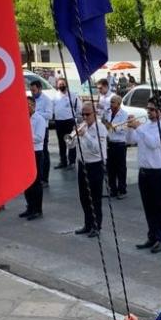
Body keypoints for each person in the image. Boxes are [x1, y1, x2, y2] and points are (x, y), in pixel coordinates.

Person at [127, 98, 161, 253]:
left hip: (159, 172)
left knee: (159, 206)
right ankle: (152, 236)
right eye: (148, 109)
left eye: (152, 109)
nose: (149, 112)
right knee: (148, 207)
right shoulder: (146, 126)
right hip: (144, 172)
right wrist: (130, 127)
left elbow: (153, 143)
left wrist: (138, 127)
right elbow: (130, 140)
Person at [67, 101, 107, 238]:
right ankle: (88, 224)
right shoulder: (81, 126)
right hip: (82, 165)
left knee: (95, 198)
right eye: (82, 114)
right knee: (84, 197)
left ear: (95, 114)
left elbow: (97, 149)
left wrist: (85, 135)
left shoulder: (100, 128)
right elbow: (71, 146)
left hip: (95, 165)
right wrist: (72, 138)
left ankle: (96, 226)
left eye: (87, 114)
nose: (84, 117)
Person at [20, 96, 45, 220]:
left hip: (36, 152)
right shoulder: (22, 118)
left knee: (36, 182)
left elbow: (39, 138)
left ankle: (37, 209)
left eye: (29, 104)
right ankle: (29, 207)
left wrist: (25, 135)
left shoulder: (39, 119)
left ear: (34, 105)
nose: (27, 107)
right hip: (25, 152)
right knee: (26, 182)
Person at [104, 93, 129, 198]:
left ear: (119, 104)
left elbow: (124, 129)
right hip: (110, 143)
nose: (111, 104)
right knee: (110, 168)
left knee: (121, 168)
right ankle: (112, 190)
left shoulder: (124, 114)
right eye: (110, 102)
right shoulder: (108, 113)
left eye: (113, 102)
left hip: (120, 144)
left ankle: (122, 190)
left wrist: (112, 126)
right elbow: (106, 126)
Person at [53, 79, 81, 169]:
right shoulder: (55, 96)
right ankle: (63, 161)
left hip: (70, 121)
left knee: (71, 141)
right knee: (61, 143)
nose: (61, 85)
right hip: (58, 122)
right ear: (57, 86)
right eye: (59, 84)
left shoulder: (73, 95)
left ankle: (72, 162)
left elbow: (79, 108)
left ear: (66, 84)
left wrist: (77, 120)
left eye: (63, 84)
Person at [29, 78, 53, 185]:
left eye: (34, 90)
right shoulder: (31, 99)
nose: (32, 93)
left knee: (43, 153)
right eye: (31, 90)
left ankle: (44, 178)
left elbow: (49, 115)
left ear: (39, 89)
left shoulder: (46, 100)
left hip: (43, 128)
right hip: (32, 128)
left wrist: (36, 114)